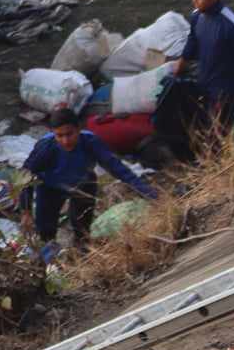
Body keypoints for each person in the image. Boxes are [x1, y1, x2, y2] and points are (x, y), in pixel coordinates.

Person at [20, 107, 157, 260]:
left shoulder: (90, 142)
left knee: (82, 229)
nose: (65, 141)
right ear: (53, 133)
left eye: (69, 134)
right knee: (45, 231)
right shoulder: (45, 147)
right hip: (50, 188)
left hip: (82, 184)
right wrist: (25, 210)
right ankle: (50, 264)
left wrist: (149, 193)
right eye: (59, 136)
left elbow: (117, 169)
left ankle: (84, 258)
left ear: (78, 129)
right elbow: (26, 176)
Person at [159, 0, 234, 158]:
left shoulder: (231, 24)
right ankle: (206, 162)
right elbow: (192, 42)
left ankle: (218, 169)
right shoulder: (197, 17)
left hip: (225, 87)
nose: (196, 1)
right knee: (200, 124)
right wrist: (180, 65)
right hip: (204, 81)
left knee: (217, 131)